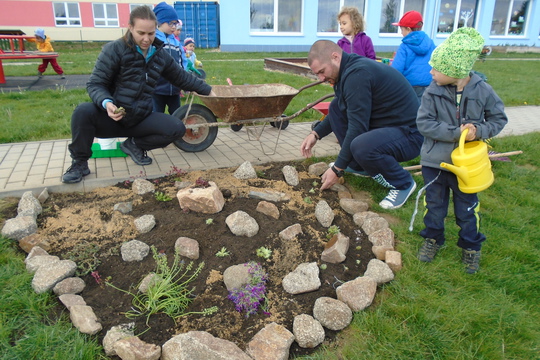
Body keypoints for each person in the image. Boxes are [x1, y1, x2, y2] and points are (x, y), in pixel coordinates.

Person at [62, 5, 215, 184]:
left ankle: (134, 145)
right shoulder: (114, 50)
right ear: (130, 27)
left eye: (150, 33)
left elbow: (182, 78)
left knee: (177, 128)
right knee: (82, 111)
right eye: (141, 33)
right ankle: (79, 163)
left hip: (140, 118)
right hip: (111, 117)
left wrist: (211, 92)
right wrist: (107, 103)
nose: (146, 39)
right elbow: (95, 84)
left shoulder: (160, 55)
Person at [415, 27, 508, 274]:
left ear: (454, 70)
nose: (431, 72)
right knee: (434, 206)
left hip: (468, 167)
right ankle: (432, 239)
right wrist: (459, 133)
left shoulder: (483, 91)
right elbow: (424, 124)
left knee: (467, 209)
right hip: (435, 163)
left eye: (436, 68)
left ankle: (470, 247)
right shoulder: (431, 92)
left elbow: (498, 119)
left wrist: (479, 131)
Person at [301, 40, 423, 210]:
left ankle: (403, 183)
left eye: (322, 71)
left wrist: (337, 169)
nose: (321, 78)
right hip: (388, 129)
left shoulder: (358, 74)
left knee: (361, 145)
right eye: (317, 74)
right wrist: (316, 133)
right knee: (335, 107)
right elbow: (343, 109)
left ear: (335, 57)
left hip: (409, 136)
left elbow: (357, 127)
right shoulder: (345, 73)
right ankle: (360, 165)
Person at [391, 11, 435, 103]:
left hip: (410, 86)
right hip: (430, 85)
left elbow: (396, 71)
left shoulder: (404, 46)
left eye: (402, 30)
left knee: (410, 111)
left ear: (408, 29)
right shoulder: (431, 44)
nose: (402, 34)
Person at [152, 2, 185, 114]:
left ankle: (175, 132)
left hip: (174, 90)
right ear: (160, 22)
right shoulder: (153, 40)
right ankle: (157, 131)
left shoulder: (176, 42)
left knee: (177, 116)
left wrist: (184, 81)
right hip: (157, 90)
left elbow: (182, 62)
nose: (174, 27)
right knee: (156, 117)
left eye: (176, 24)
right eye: (171, 23)